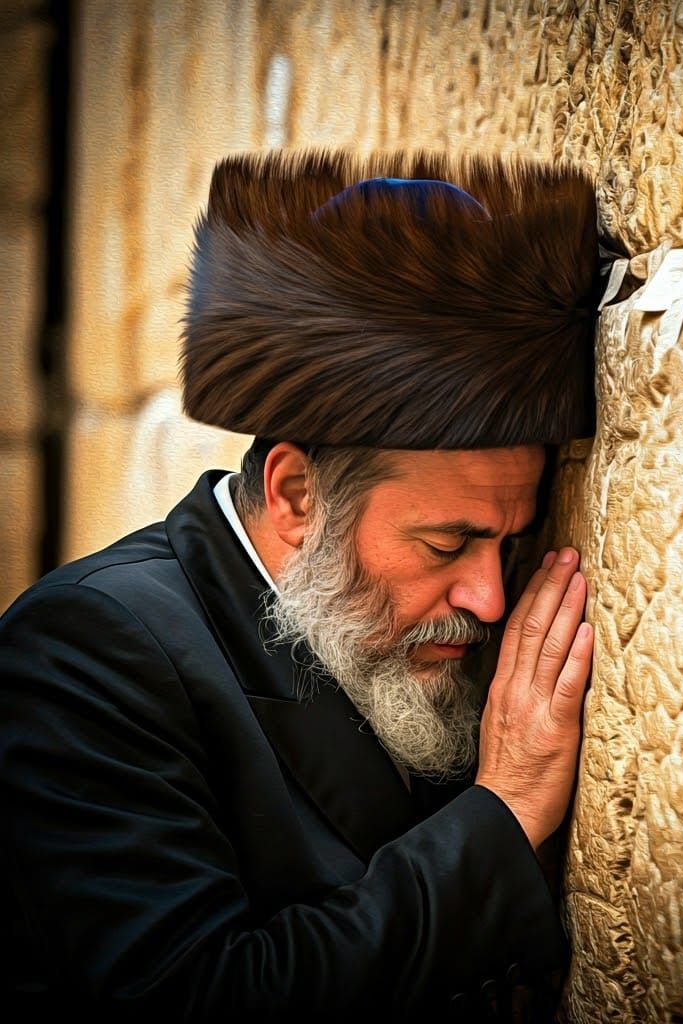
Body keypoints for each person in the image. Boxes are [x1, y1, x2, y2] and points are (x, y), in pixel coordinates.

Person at [0, 150, 602, 1021]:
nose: (489, 599)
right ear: (295, 495)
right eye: (447, 543)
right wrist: (502, 815)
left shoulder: (419, 633)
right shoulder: (84, 653)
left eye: (508, 544)